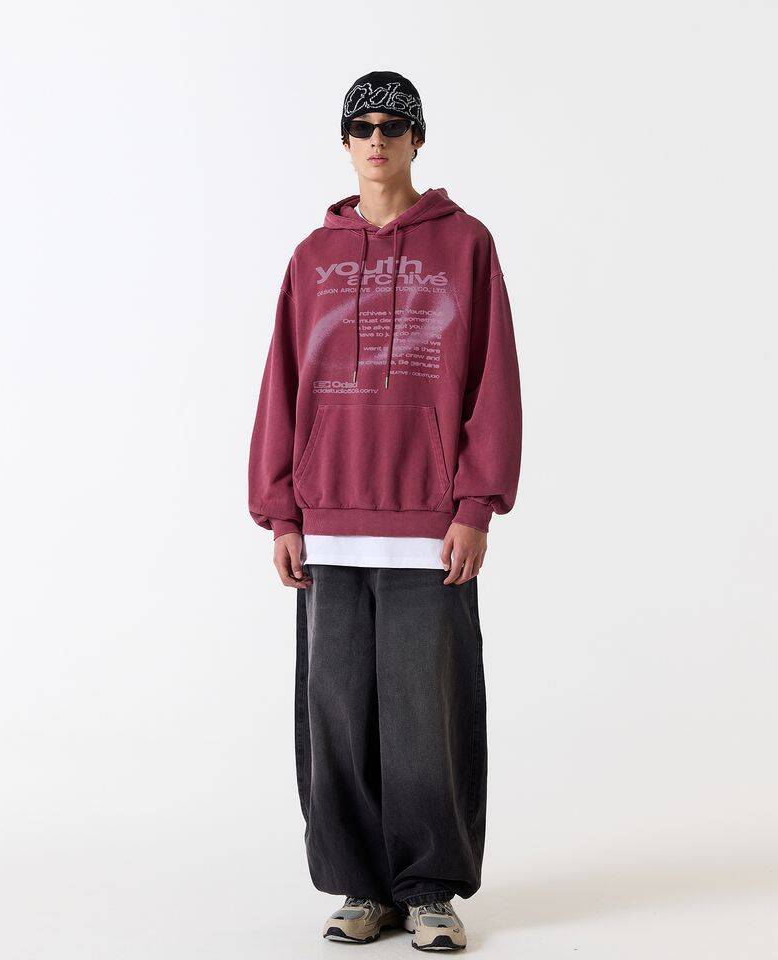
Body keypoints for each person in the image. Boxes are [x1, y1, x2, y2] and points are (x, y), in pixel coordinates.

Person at [247, 70, 522, 951]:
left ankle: (431, 889)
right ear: (345, 141)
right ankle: (362, 886)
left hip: (429, 523)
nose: (377, 139)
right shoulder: (311, 258)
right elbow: (282, 385)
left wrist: (475, 503)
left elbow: (493, 378)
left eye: (393, 126)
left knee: (426, 717)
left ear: (417, 140)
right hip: (328, 519)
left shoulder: (466, 244)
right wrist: (281, 511)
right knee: (337, 717)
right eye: (362, 126)